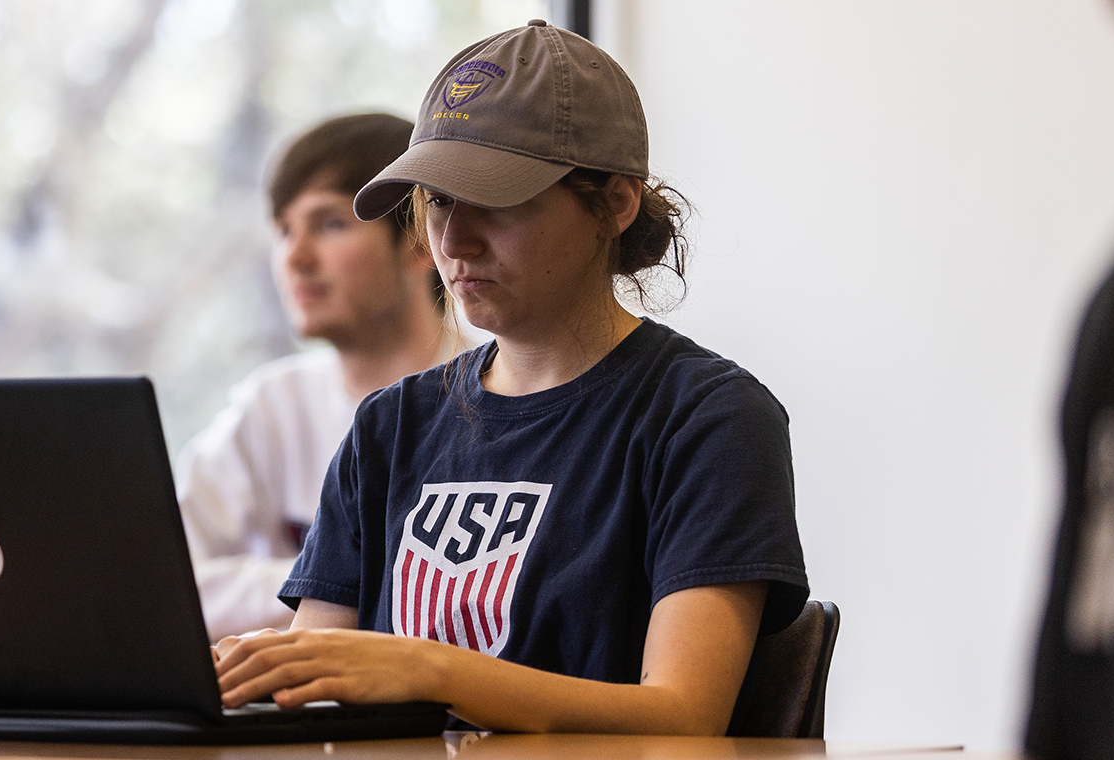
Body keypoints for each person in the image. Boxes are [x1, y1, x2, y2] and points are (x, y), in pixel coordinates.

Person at [212, 21, 808, 735]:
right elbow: (316, 685)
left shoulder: (707, 419)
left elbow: (681, 720)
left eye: (494, 199)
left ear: (615, 203)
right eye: (436, 201)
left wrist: (431, 669)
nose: (454, 241)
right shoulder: (390, 425)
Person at [177, 114, 448, 640]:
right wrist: (342, 582)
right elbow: (165, 584)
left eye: (329, 224)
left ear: (421, 240)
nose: (296, 258)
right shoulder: (272, 405)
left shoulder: (501, 397)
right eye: (283, 230)